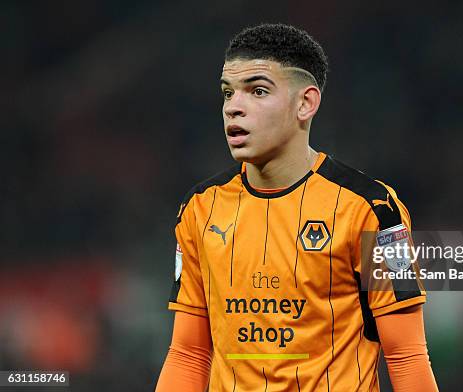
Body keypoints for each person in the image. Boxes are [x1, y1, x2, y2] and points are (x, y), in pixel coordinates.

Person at [156, 23, 438, 392]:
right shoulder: (199, 209)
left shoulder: (374, 211)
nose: (234, 108)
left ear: (306, 103)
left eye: (257, 90)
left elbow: (406, 356)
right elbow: (189, 354)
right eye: (227, 93)